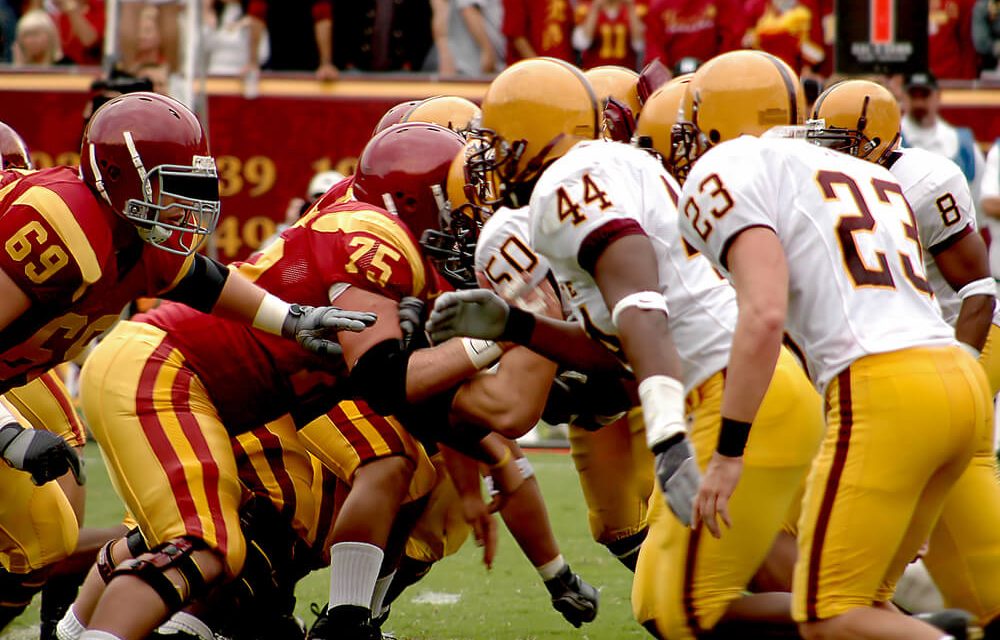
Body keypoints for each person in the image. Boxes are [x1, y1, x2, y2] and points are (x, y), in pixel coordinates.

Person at [427, 56, 827, 637]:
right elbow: (617, 352)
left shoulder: (564, 187)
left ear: (529, 132)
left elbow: (642, 305)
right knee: (673, 597)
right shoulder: (615, 164)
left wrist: (665, 439)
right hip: (753, 388)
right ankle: (879, 619)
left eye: (497, 139)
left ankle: (880, 625)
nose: (490, 157)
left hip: (729, 395)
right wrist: (516, 325)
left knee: (680, 610)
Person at [670, 50, 989, 640]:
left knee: (825, 617)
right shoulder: (861, 169)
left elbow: (763, 315)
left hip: (884, 389)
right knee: (867, 606)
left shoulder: (733, 165)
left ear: (719, 117)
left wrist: (729, 452)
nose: (686, 136)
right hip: (957, 383)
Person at [809, 79, 1000, 637]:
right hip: (896, 353)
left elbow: (978, 289)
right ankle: (899, 606)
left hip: (961, 336)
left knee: (949, 472)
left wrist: (960, 368)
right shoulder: (824, 182)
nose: (822, 150)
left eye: (836, 139)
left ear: (872, 139)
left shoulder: (925, 178)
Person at [573, 0, 645, 71]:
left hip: (625, 73)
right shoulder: (586, 9)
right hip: (595, 72)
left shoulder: (634, 10)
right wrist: (595, 9)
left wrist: (631, 9)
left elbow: (639, 45)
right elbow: (582, 44)